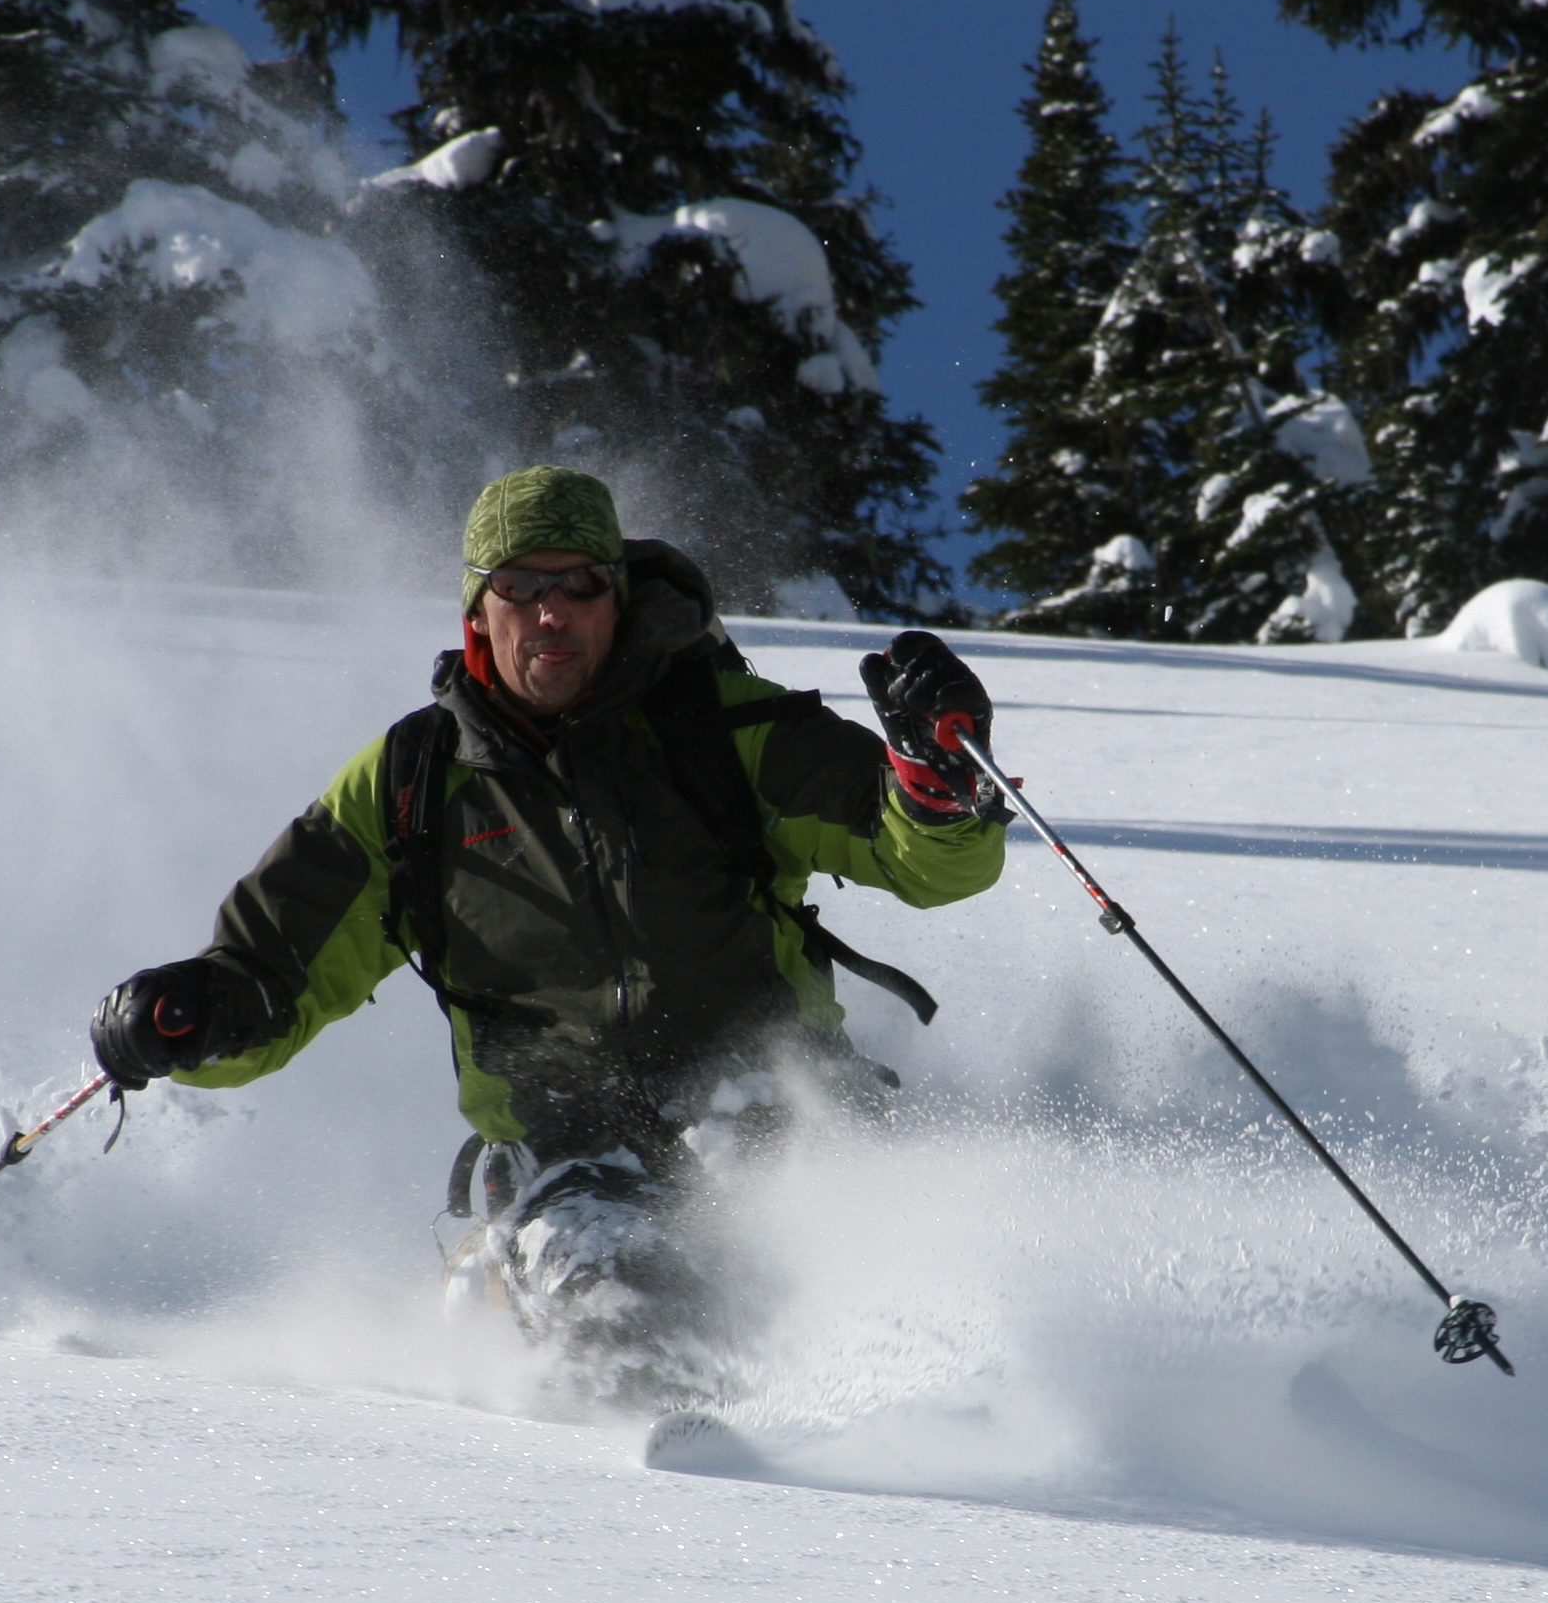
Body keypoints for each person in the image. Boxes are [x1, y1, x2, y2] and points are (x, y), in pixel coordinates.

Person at [87, 466, 1008, 1393]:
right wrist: (196, 1011)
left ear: (618, 596)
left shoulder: (725, 732)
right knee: (625, 1308)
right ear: (477, 610)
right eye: (518, 588)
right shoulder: (412, 781)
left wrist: (932, 774)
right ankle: (668, 1465)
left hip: (781, 1108)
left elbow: (926, 863)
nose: (550, 612)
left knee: (926, 1297)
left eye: (579, 585)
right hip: (574, 1147)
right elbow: (272, 971)